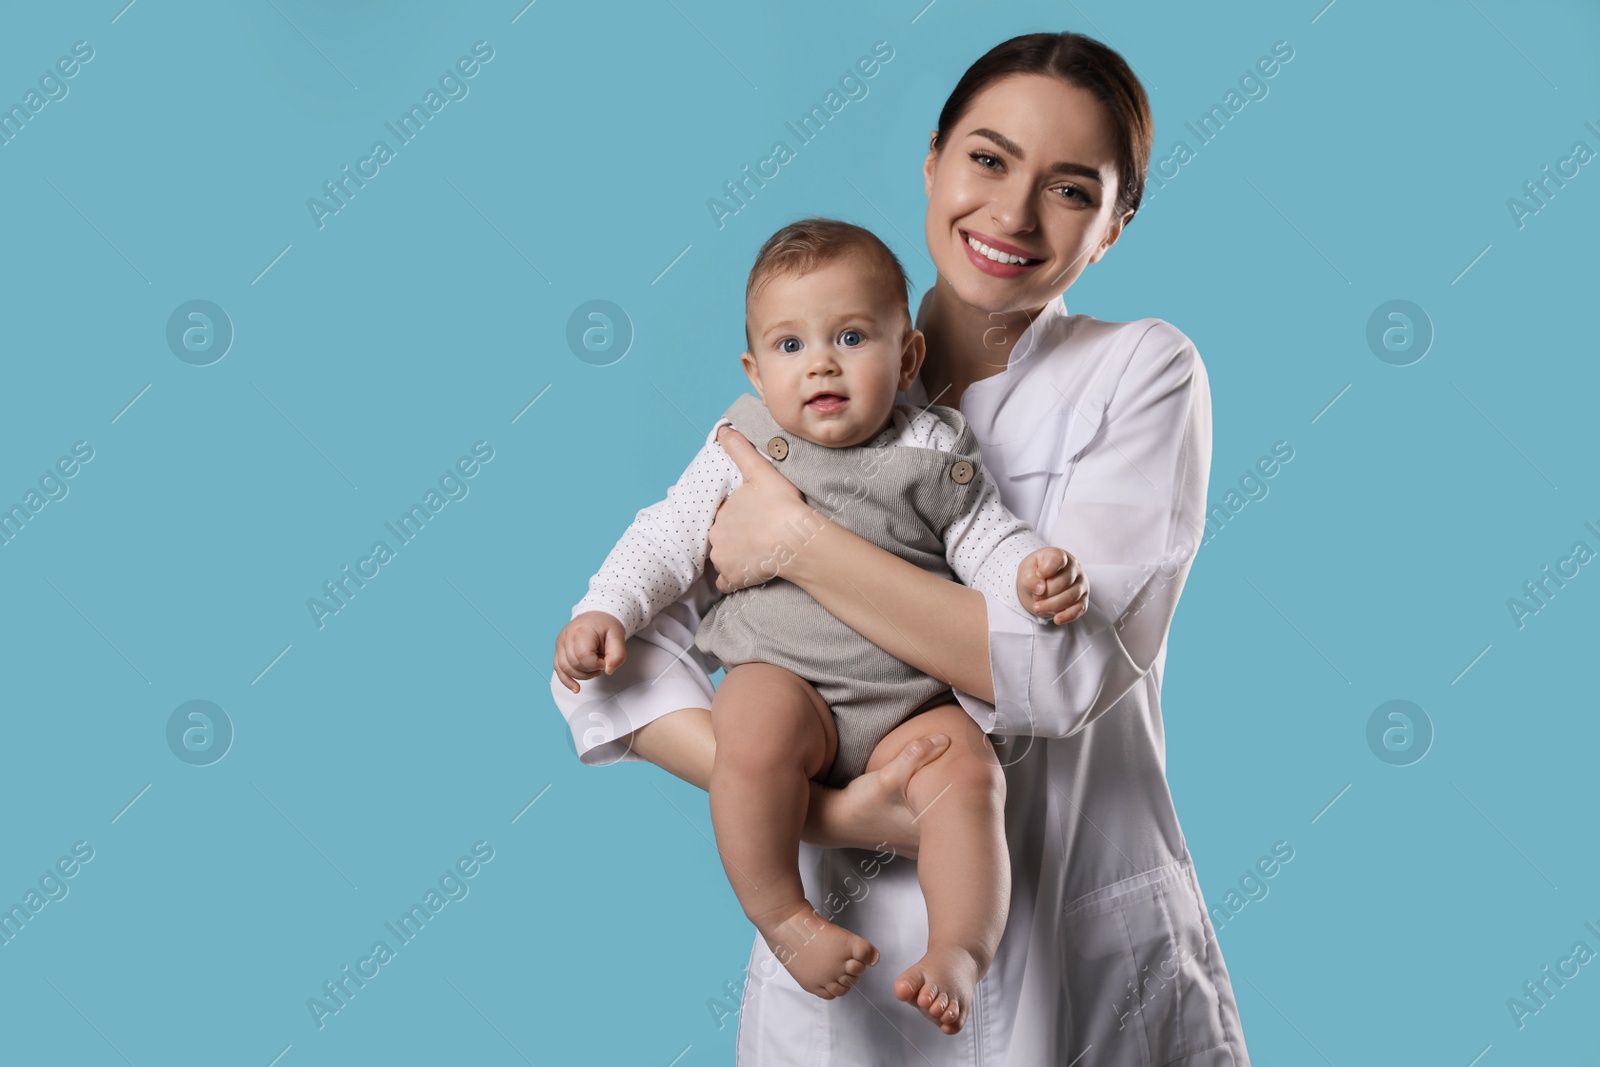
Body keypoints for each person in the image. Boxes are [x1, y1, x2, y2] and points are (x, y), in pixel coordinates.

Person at [549, 30, 1254, 1066]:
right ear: (930, 162)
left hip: (1074, 942)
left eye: (1068, 189)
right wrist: (836, 812)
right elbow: (605, 670)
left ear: (1113, 225)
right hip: (847, 957)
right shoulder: (806, 378)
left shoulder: (1141, 371)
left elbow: (1057, 669)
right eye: (986, 158)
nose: (1011, 214)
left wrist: (792, 538)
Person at [553, 217, 1088, 1034]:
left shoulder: (935, 448)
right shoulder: (745, 443)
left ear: (906, 357)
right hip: (786, 678)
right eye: (791, 345)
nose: (823, 363)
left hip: (909, 700)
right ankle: (784, 916)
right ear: (755, 371)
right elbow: (665, 536)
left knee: (971, 775)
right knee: (752, 729)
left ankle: (960, 949)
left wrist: (1028, 573)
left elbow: (985, 539)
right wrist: (606, 607)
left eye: (850, 336)